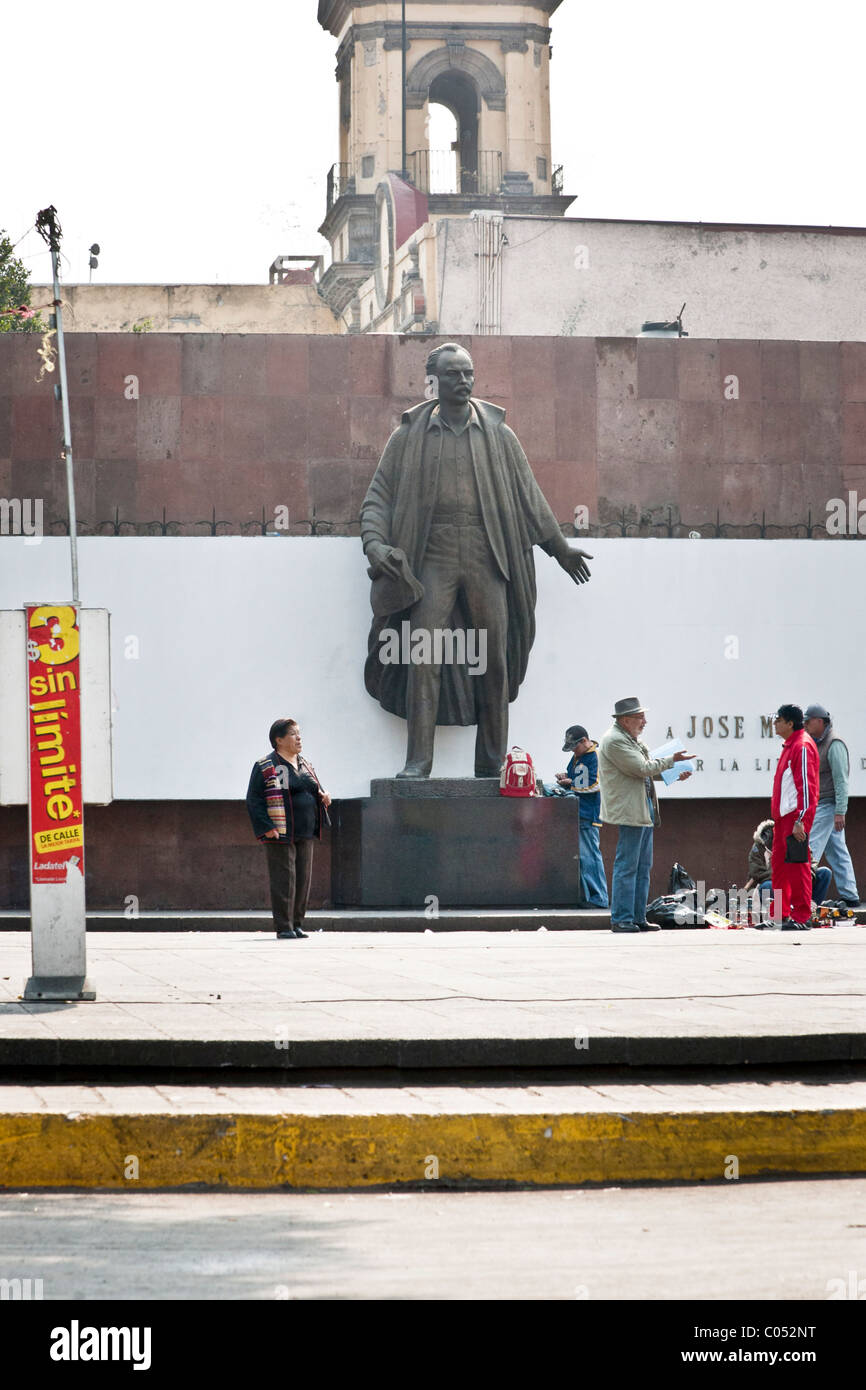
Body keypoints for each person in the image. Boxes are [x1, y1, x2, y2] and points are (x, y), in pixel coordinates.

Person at [360, 342, 594, 778]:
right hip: (433, 557)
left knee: (494, 659)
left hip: (488, 557)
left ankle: (490, 767)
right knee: (423, 656)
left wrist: (559, 548)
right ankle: (418, 763)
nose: (463, 381)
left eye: (468, 373)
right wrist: (374, 545)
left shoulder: (498, 434)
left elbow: (530, 498)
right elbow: (377, 500)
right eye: (453, 374)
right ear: (433, 380)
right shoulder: (408, 437)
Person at [598, 697, 694, 933]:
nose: (645, 721)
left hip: (642, 807)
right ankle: (622, 918)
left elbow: (644, 770)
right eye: (640, 717)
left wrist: (672, 772)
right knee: (628, 866)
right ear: (625, 719)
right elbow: (641, 768)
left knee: (642, 867)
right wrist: (672, 761)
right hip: (631, 810)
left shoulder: (629, 739)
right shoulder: (615, 741)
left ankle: (637, 917)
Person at [246, 718, 331, 940]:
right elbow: (254, 800)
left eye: (299, 733)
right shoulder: (267, 765)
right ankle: (284, 926)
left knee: (303, 879)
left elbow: (314, 789)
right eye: (293, 734)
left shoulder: (305, 764)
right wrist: (266, 826)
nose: (299, 738)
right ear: (279, 739)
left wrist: (324, 796)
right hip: (280, 831)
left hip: (306, 830)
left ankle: (297, 923)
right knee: (284, 879)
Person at [802, 703, 860, 908]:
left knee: (810, 850)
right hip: (821, 805)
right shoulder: (816, 743)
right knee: (837, 851)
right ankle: (850, 894)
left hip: (827, 806)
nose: (805, 725)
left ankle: (802, 895)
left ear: (820, 721)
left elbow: (841, 781)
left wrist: (840, 811)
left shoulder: (834, 744)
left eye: (808, 721)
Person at [769, 704, 820, 931]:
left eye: (778, 719)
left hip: (794, 819)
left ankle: (802, 916)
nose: (775, 723)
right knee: (779, 867)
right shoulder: (790, 745)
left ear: (790, 723)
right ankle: (780, 914)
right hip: (782, 820)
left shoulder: (801, 746)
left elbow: (807, 787)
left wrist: (802, 819)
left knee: (798, 867)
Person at [556, 724, 609, 909]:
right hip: (577, 813)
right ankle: (589, 897)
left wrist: (571, 784)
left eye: (575, 747)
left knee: (591, 857)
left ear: (585, 741)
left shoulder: (595, 756)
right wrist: (566, 777)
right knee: (584, 858)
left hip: (589, 814)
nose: (574, 752)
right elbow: (576, 777)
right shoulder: (578, 757)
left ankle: (599, 899)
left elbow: (596, 785)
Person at [743, 818, 831, 921]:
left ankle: (811, 905)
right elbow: (757, 872)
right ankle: (784, 908)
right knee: (767, 886)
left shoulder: (796, 839)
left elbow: (812, 862)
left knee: (825, 873)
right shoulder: (759, 847)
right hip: (775, 885)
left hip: (798, 884)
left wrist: (806, 877)